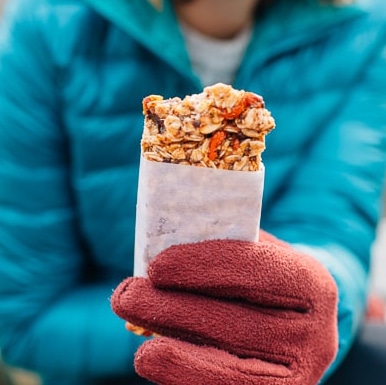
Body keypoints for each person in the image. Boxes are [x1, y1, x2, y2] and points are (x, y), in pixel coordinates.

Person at [0, 0, 385, 384]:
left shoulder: (363, 34)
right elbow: (26, 319)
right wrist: (193, 329)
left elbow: (329, 231)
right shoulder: (50, 28)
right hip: (114, 369)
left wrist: (308, 309)